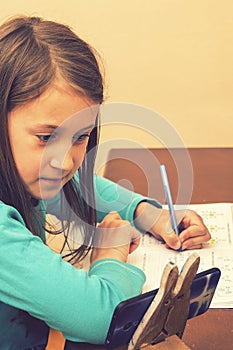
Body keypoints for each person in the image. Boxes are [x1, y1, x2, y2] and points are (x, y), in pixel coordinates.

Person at [0, 15, 211, 349]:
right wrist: (110, 257)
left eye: (80, 137)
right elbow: (107, 319)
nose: (66, 160)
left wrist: (148, 213)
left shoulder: (24, 173)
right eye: (46, 137)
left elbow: (78, 188)